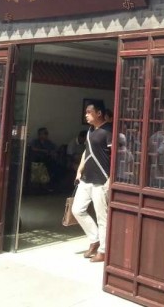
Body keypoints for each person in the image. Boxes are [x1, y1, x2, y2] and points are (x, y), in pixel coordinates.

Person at [73, 102, 113, 263]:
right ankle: (94, 239)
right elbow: (87, 151)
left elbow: (116, 155)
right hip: (86, 178)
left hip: (101, 180)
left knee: (102, 217)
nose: (86, 115)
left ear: (99, 113)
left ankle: (103, 250)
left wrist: (111, 178)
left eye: (89, 112)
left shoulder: (108, 131)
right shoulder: (90, 130)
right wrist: (79, 170)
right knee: (77, 210)